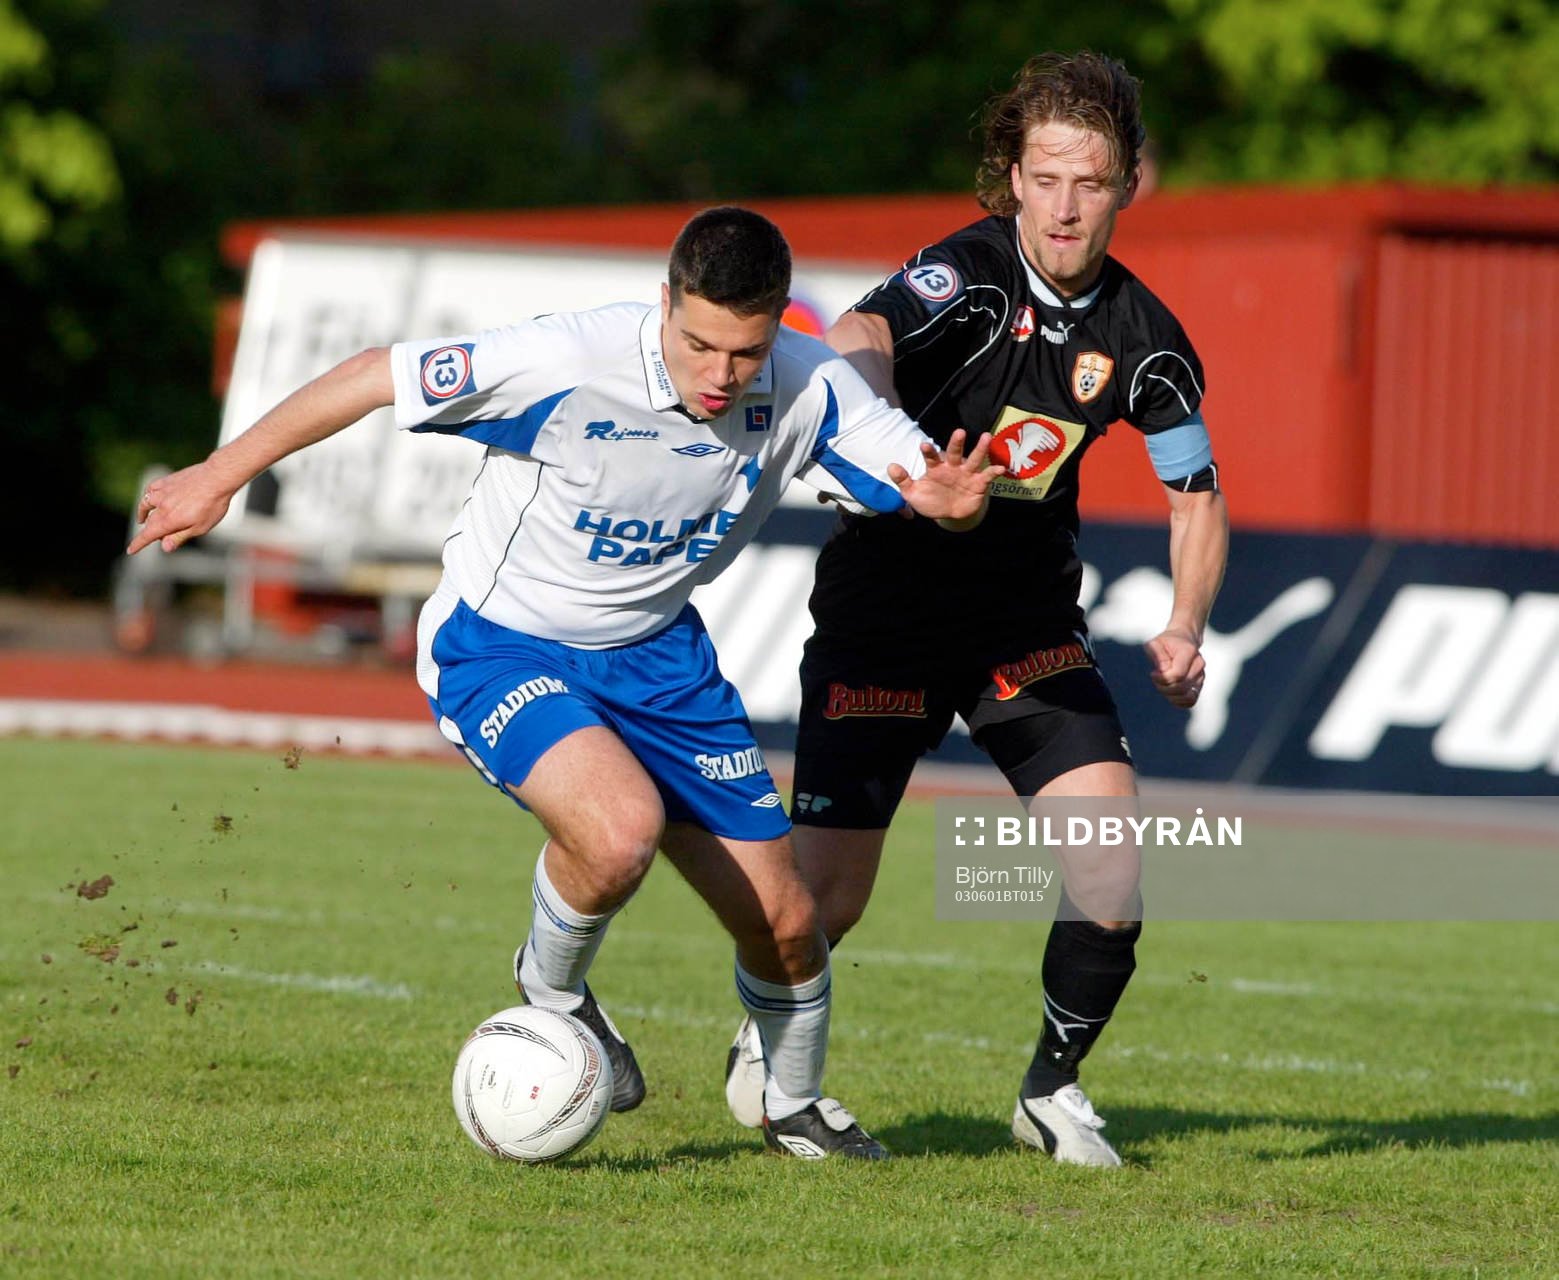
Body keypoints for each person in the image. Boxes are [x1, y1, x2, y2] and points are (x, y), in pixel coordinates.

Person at [129, 206, 998, 1161]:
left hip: (663, 665)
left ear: (778, 329)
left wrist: (950, 511)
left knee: (788, 925)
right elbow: (376, 372)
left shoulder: (809, 386)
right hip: (504, 646)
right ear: (663, 302)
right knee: (618, 831)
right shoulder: (570, 359)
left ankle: (792, 1105)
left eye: (744, 352)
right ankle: (551, 994)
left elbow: (923, 480)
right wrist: (217, 475)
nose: (719, 375)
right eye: (697, 343)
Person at [723, 53, 1229, 1166]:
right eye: (1042, 177)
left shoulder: (1148, 342)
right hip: (885, 611)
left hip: (1022, 628)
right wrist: (893, 447)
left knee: (1109, 863)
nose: (1061, 205)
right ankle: (763, 1051)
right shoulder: (970, 273)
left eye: (1087, 182)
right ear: (1011, 177)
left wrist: (1186, 623)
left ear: (1124, 185)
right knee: (826, 900)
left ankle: (1051, 1089)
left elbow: (1195, 499)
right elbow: (859, 333)